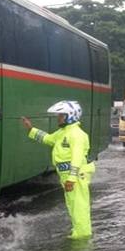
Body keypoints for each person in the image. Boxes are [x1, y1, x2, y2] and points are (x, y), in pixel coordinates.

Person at [21, 100, 95, 240]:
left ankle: (82, 239)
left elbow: (77, 158)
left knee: (79, 208)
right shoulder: (63, 132)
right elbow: (49, 139)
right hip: (68, 176)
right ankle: (78, 232)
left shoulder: (77, 134)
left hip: (76, 176)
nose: (58, 118)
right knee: (73, 206)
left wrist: (71, 179)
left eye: (61, 115)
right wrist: (31, 129)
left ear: (70, 116)